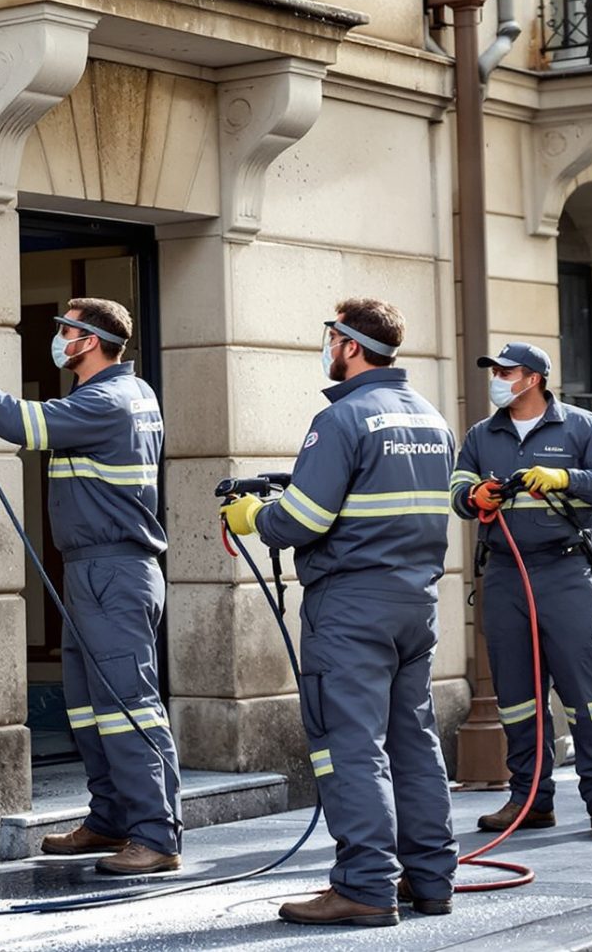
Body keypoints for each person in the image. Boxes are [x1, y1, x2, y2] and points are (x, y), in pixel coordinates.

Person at [0, 297, 180, 876]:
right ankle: (110, 819)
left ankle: (157, 838)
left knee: (128, 706)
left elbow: (22, 424)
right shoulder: (130, 395)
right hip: (94, 571)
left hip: (114, 571)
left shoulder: (108, 400)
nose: (57, 337)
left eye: (65, 330)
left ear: (87, 341)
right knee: (89, 707)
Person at [221, 298, 456, 928]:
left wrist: (255, 518)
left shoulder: (343, 419)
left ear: (349, 345)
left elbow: (304, 519)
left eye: (330, 337)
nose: (326, 347)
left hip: (350, 608)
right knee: (414, 742)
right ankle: (431, 879)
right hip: (414, 604)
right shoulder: (434, 419)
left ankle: (364, 886)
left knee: (350, 746)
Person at [450, 340, 592, 840]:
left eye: (506, 372)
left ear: (533, 378)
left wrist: (565, 478)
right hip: (506, 574)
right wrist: (474, 495)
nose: (498, 380)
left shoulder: (581, 426)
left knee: (587, 695)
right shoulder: (481, 435)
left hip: (566, 573)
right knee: (517, 697)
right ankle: (530, 799)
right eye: (495, 372)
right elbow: (457, 493)